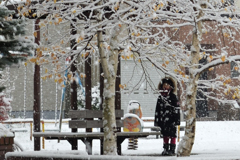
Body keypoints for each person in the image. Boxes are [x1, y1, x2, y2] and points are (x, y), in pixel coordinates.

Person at [154, 77, 180, 156]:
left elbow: (177, 109)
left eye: (167, 85)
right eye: (164, 85)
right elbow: (157, 110)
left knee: (172, 135)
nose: (166, 86)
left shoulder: (173, 97)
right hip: (163, 120)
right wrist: (157, 120)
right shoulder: (160, 97)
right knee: (165, 134)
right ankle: (165, 148)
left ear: (171, 86)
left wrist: (177, 120)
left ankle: (172, 149)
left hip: (172, 120)